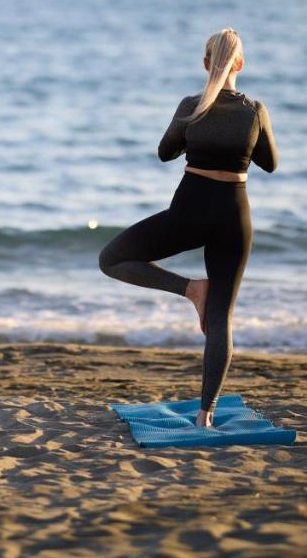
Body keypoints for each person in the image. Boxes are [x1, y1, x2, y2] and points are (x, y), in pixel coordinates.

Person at [99, 28, 277, 427]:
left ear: (204, 64)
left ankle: (189, 288)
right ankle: (205, 416)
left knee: (111, 258)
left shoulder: (190, 106)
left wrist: (194, 138)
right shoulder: (255, 110)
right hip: (234, 218)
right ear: (241, 64)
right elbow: (270, 163)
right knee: (221, 319)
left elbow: (165, 153)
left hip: (189, 213)